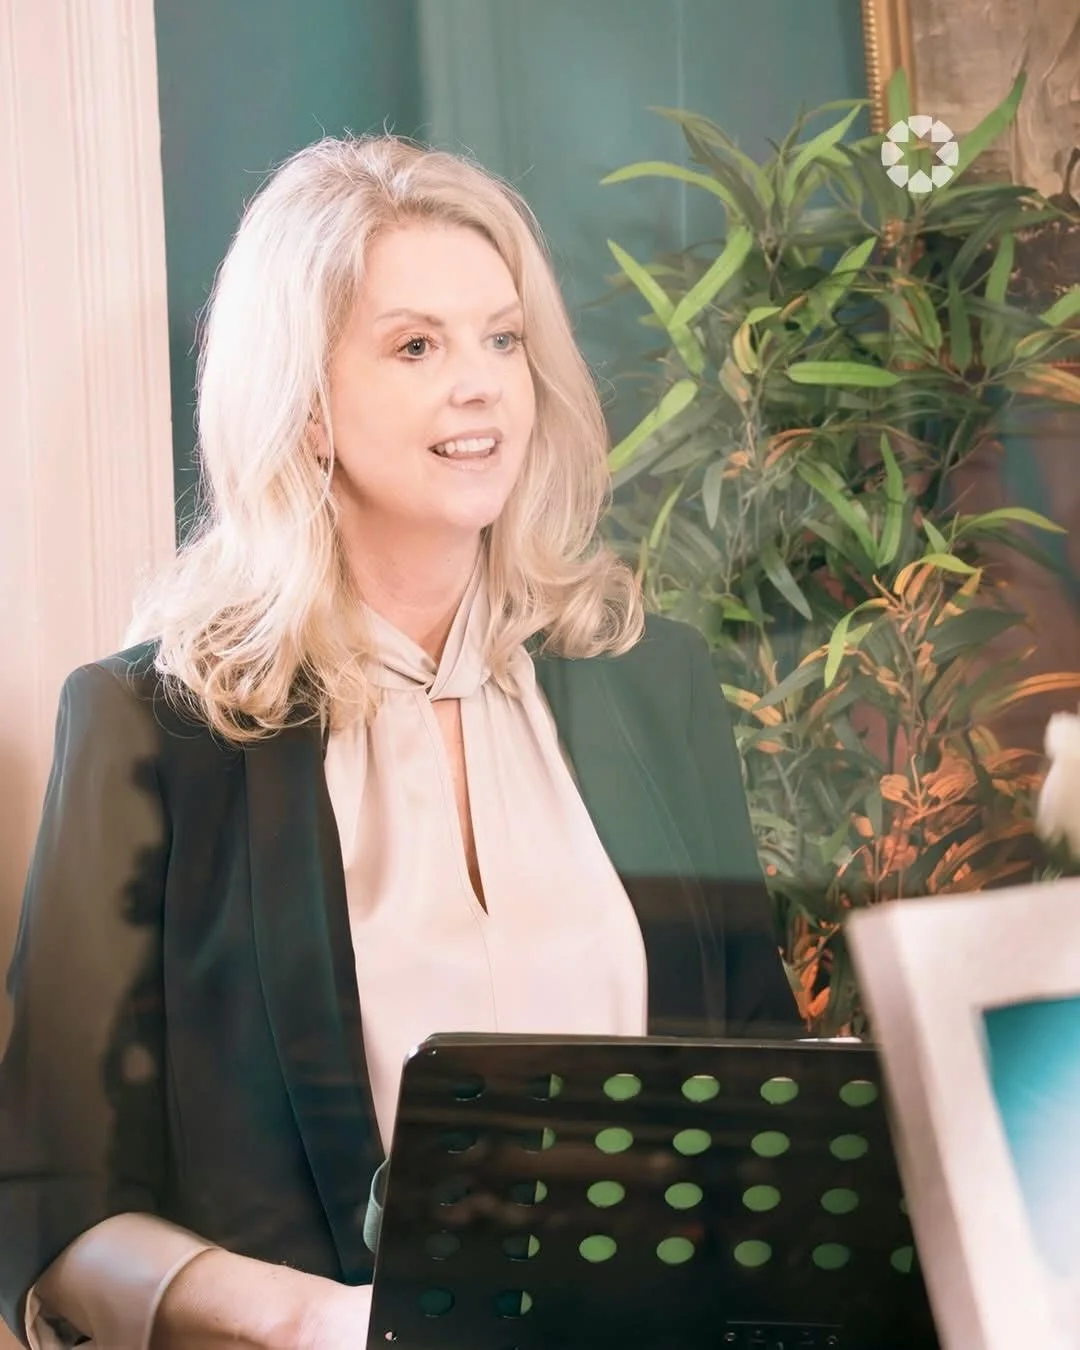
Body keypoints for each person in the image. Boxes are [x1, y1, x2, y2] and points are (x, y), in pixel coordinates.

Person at [0, 134, 798, 1350]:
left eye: (503, 338)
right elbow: (54, 1209)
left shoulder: (654, 686)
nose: (480, 383)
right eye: (416, 345)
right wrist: (316, 1324)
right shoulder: (150, 734)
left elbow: (767, 1078)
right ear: (304, 408)